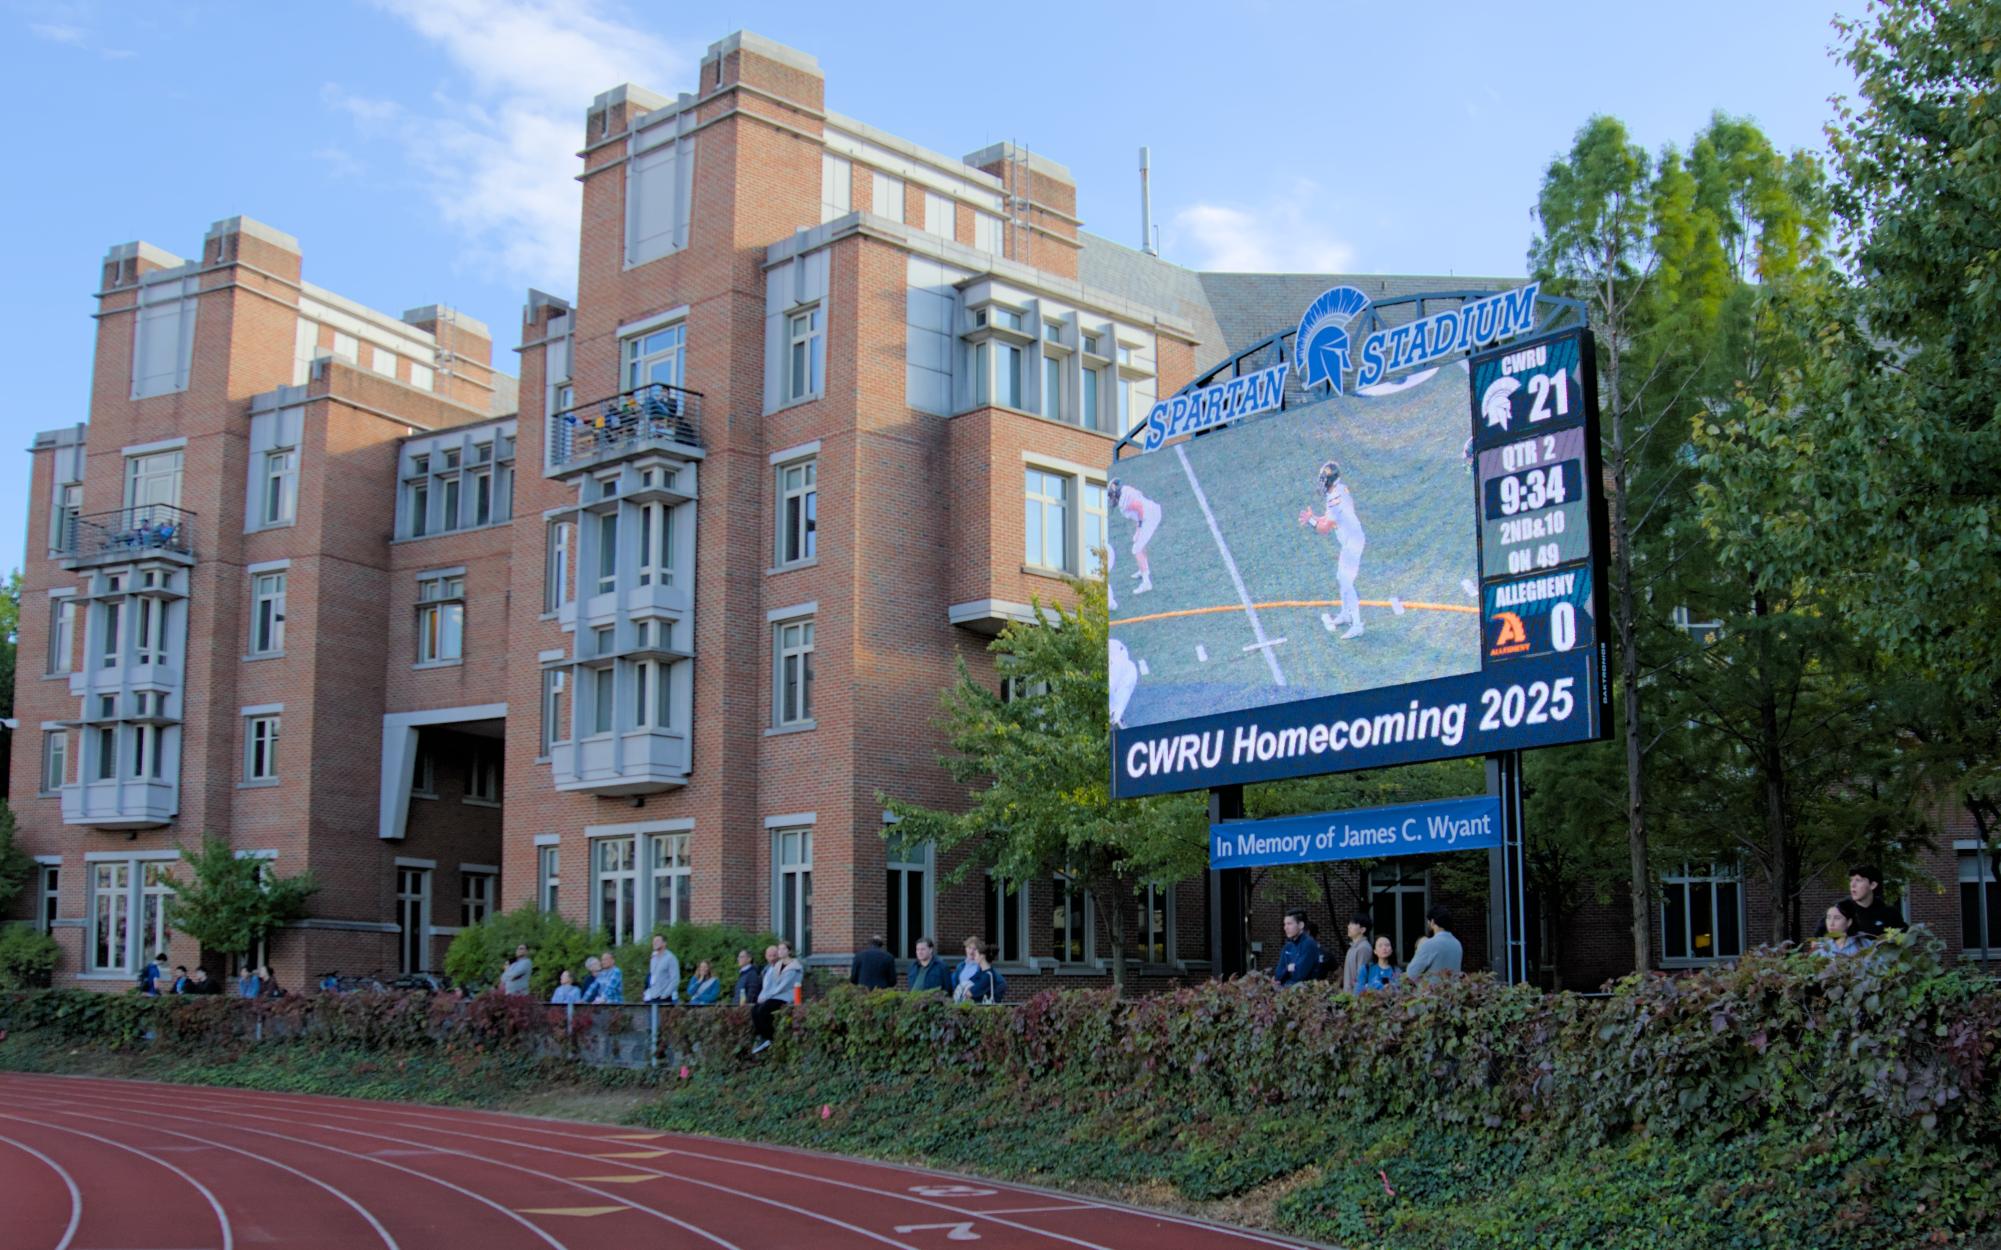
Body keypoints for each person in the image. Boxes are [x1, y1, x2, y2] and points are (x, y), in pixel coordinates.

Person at [1298, 459, 1367, 639]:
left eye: (1323, 479)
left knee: (1346, 581)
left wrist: (1311, 521)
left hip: (1353, 542)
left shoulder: (1335, 498)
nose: (1321, 482)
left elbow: (1324, 529)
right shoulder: (1339, 491)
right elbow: (1330, 518)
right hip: (1351, 539)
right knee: (1341, 577)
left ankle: (1357, 624)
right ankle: (1345, 613)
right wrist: (1316, 517)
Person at [1105, 479, 1162, 611]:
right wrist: (1138, 529)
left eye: (1111, 496)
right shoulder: (1126, 489)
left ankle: (1146, 582)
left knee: (1136, 549)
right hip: (1151, 511)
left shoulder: (1123, 503)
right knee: (1138, 542)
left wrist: (1141, 525)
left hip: (1150, 517)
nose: (1111, 499)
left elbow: (1139, 508)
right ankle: (1144, 570)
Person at [751, 941, 804, 1055]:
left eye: (783, 949)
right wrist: (763, 996)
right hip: (774, 995)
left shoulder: (794, 966)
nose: (781, 951)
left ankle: (770, 1036)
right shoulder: (776, 966)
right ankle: (762, 1036)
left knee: (764, 1009)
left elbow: (783, 986)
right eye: (779, 949)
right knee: (755, 1009)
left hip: (786, 996)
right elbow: (769, 983)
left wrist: (768, 996)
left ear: (789, 951)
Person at [1405, 904, 1463, 980]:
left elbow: (1411, 973)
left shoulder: (1429, 944)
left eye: (1428, 921)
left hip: (1433, 990)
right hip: (1452, 990)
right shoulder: (1457, 944)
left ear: (1432, 921)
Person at [1847, 865, 1903, 939]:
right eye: (1851, 880)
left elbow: (1902, 940)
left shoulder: (1890, 913)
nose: (1852, 885)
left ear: (1873, 885)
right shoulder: (1842, 912)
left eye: (1858, 880)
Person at [1275, 909, 1322, 987]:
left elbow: (1299, 975)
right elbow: (1278, 975)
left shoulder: (1309, 944)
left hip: (1305, 995)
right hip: (1286, 993)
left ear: (1301, 925)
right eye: (1285, 924)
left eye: (1289, 924)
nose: (1285, 928)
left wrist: (1286, 971)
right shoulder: (1288, 947)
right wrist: (1289, 968)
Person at [642, 934, 681, 1004]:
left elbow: (675, 979)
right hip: (652, 996)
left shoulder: (671, 958)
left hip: (665, 998)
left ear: (664, 943)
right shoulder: (653, 958)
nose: (654, 942)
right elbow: (651, 976)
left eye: (657, 941)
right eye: (653, 941)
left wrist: (665, 995)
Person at [1341, 912, 1374, 993]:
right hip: (1349, 997)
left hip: (1356, 998)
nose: (1349, 926)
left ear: (1362, 930)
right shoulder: (1352, 948)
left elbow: (1361, 978)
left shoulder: (1364, 948)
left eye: (1353, 924)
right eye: (1349, 923)